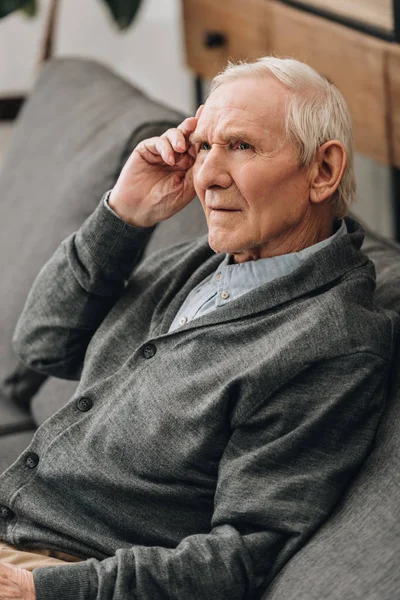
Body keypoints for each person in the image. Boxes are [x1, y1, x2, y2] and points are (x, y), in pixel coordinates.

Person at [0, 56, 397, 600]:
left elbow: (240, 555)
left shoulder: (330, 343)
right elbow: (43, 342)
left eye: (241, 146)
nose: (207, 175)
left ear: (323, 171)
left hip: (56, 567)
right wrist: (122, 214)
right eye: (205, 146)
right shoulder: (203, 264)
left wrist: (40, 590)